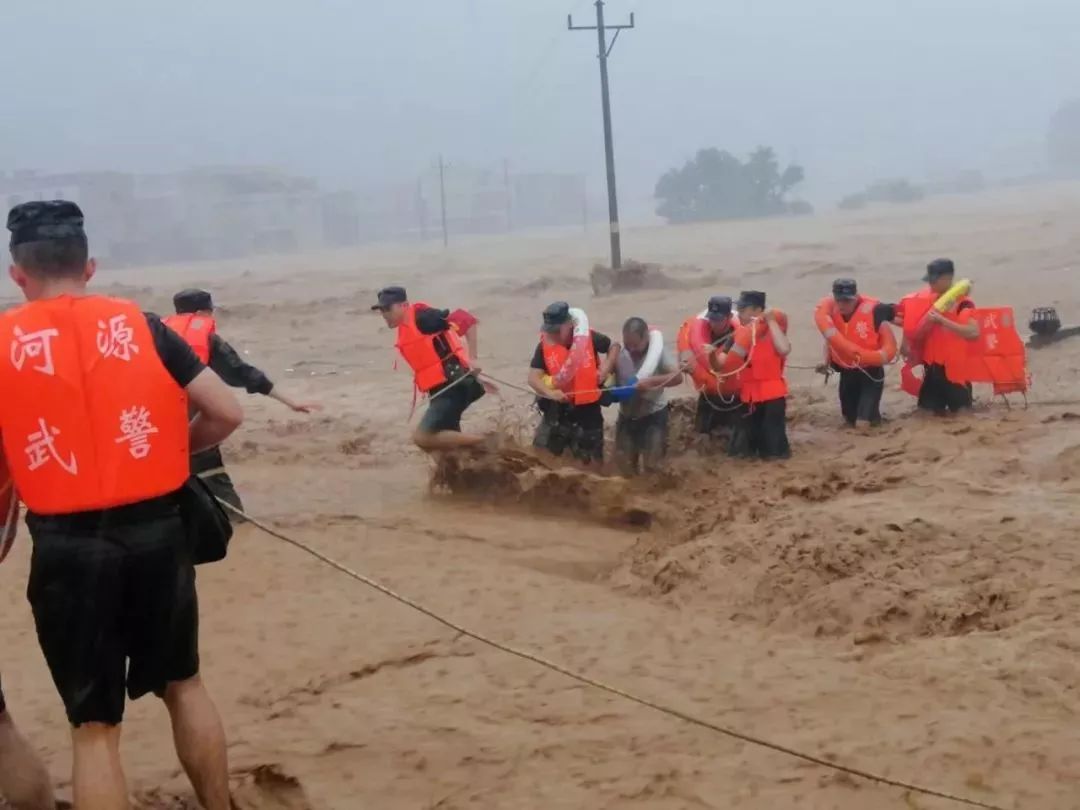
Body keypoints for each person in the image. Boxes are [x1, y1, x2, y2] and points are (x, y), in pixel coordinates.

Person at [0, 201, 242, 810]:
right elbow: (227, 412)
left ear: (16, 274)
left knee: (94, 731)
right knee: (185, 686)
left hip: (67, 548)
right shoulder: (145, 326)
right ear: (90, 267)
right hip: (159, 534)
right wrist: (165, 455)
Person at [165, 288, 318, 517]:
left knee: (164, 477)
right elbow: (243, 373)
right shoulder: (205, 338)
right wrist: (290, 402)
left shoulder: (157, 334)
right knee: (211, 475)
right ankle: (236, 523)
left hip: (147, 421)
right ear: (201, 312)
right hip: (185, 422)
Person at [373, 286, 491, 451]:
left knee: (423, 437)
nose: (384, 314)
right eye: (381, 310)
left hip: (454, 385)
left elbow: (467, 320)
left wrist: (473, 358)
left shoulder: (424, 318)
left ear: (403, 305)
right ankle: (478, 463)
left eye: (387, 308)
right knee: (446, 448)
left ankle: (489, 442)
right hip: (440, 390)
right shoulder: (405, 327)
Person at [528, 302, 620, 465]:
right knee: (541, 458)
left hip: (588, 411)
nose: (553, 336)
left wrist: (605, 368)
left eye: (557, 331)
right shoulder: (544, 346)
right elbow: (533, 378)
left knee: (591, 463)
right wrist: (550, 394)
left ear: (569, 325)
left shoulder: (590, 338)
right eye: (549, 331)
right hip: (557, 410)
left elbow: (615, 346)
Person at [716, 291, 791, 460]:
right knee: (740, 453)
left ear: (758, 310)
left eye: (743, 309)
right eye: (738, 309)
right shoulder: (738, 336)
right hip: (748, 398)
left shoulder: (774, 329)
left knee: (773, 454)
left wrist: (771, 321)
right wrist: (711, 355)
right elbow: (722, 364)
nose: (739, 313)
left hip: (772, 397)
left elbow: (784, 349)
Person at [814, 279, 898, 428]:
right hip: (847, 373)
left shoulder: (876, 310)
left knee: (862, 423)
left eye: (847, 301)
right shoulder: (829, 312)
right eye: (839, 300)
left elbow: (902, 318)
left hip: (870, 373)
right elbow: (830, 341)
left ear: (856, 297)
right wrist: (826, 364)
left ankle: (873, 429)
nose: (842, 305)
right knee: (849, 419)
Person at [902, 259, 979, 415]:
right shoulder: (927, 300)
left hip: (955, 372)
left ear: (947, 279)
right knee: (924, 415)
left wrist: (943, 321)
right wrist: (905, 343)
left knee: (963, 416)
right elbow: (908, 320)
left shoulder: (964, 304)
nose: (930, 284)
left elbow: (973, 332)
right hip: (932, 369)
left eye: (933, 280)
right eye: (929, 280)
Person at [612, 318, 682, 476]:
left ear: (646, 337)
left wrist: (651, 382)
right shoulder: (619, 353)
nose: (631, 349)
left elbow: (678, 378)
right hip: (626, 417)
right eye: (627, 344)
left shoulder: (658, 352)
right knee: (624, 468)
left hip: (653, 416)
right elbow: (608, 380)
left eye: (635, 345)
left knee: (653, 467)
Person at [681, 296, 742, 438]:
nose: (714, 323)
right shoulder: (700, 333)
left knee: (733, 439)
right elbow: (686, 351)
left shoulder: (739, 336)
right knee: (701, 438)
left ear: (730, 316)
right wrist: (686, 365)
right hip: (708, 395)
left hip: (734, 397)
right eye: (711, 319)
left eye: (718, 320)